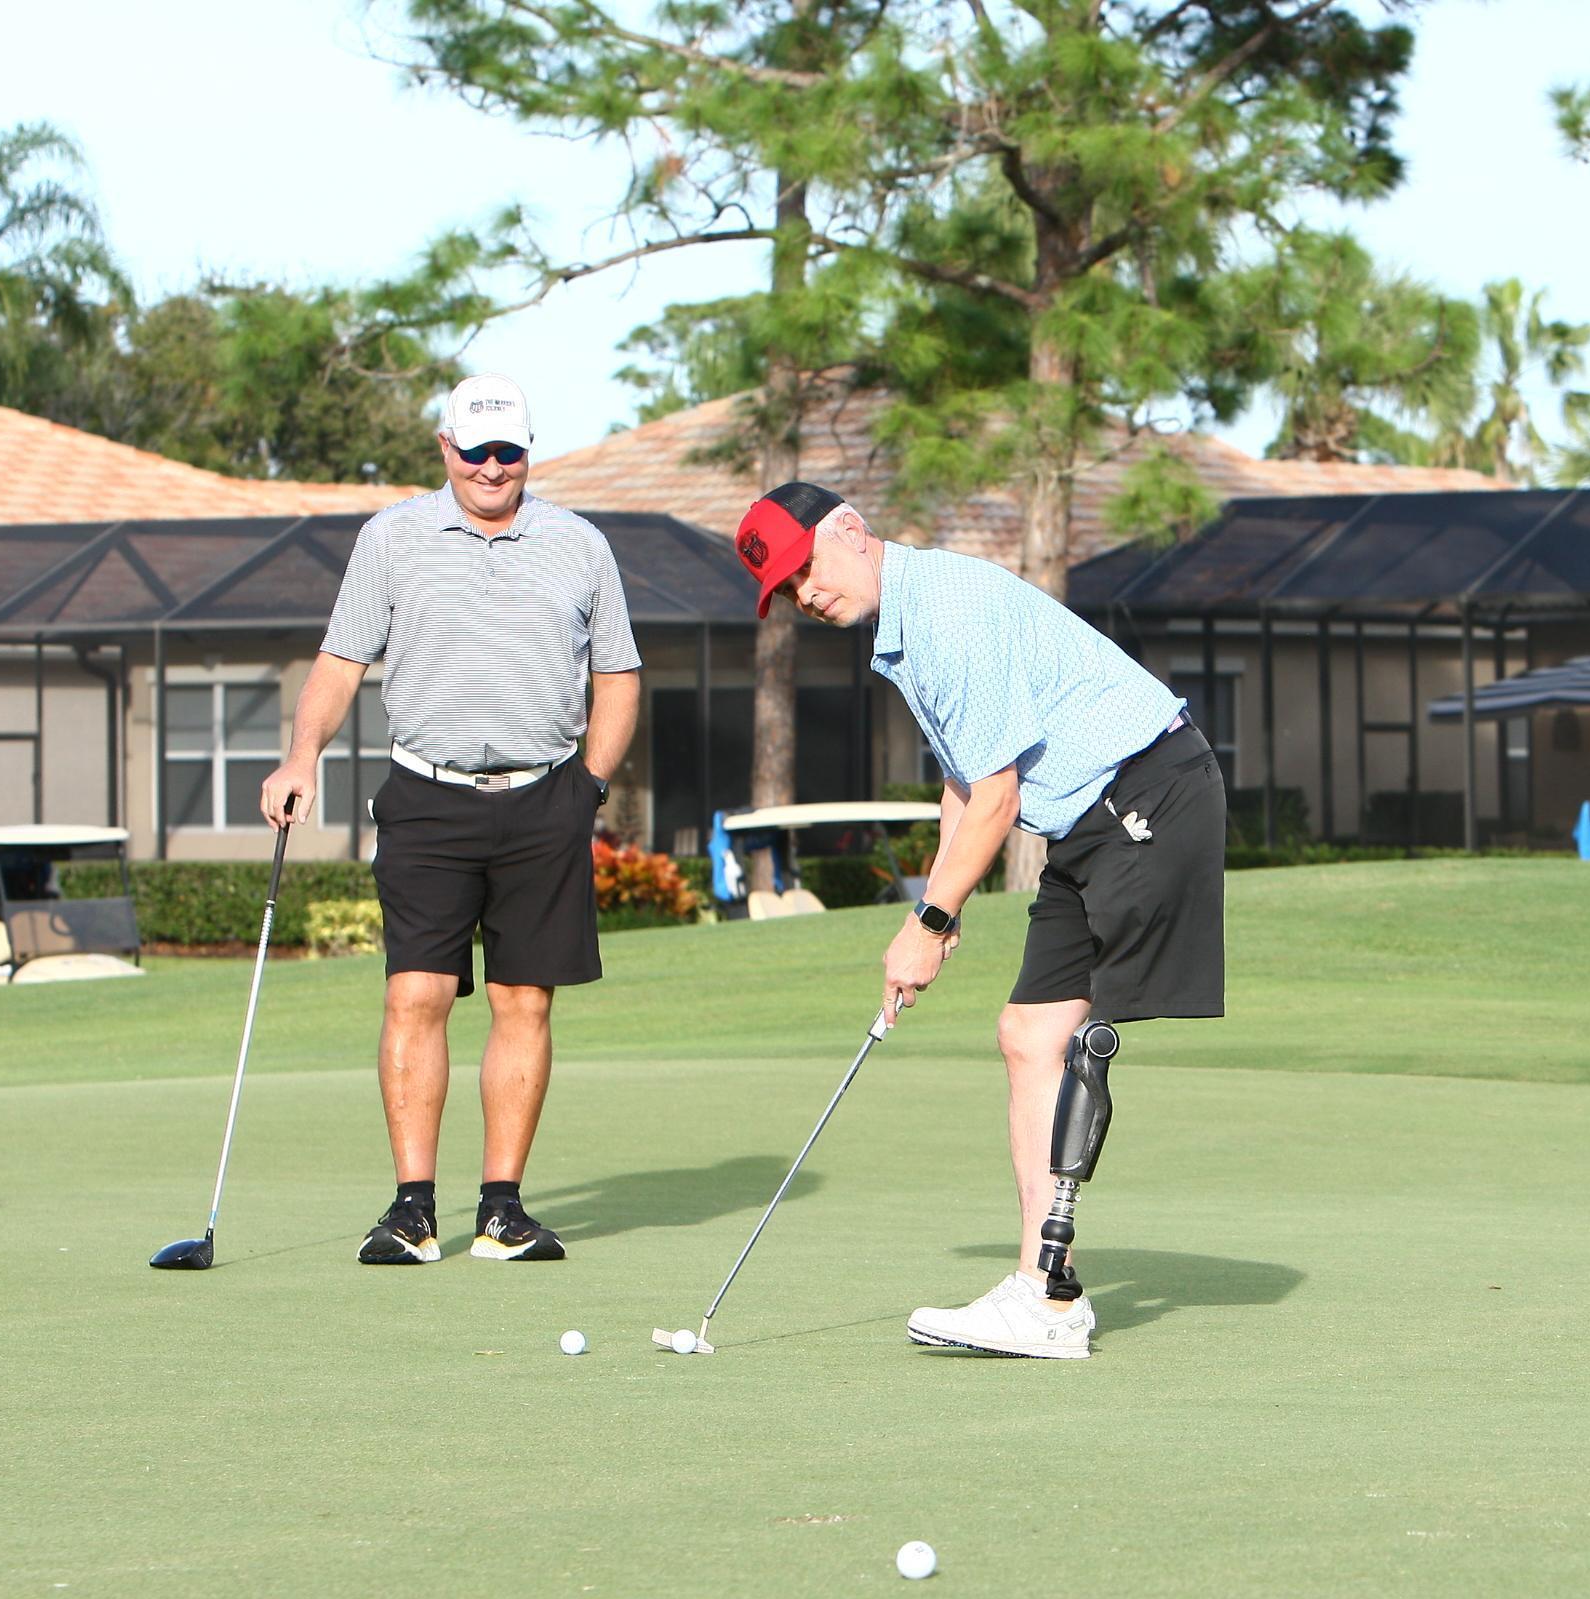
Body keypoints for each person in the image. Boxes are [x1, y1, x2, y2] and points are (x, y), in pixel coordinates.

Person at [732, 482, 1223, 1358]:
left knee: (1070, 1039)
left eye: (807, 568)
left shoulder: (946, 613)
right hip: (1092, 814)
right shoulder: (907, 622)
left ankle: (1047, 1289)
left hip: (1144, 796)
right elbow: (965, 779)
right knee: (1026, 1035)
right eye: (788, 588)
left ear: (852, 530)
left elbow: (998, 797)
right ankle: (1048, 1297)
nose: (806, 594)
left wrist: (926, 922)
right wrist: (939, 900)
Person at [260, 373, 642, 1266]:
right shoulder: (391, 538)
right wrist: (300, 756)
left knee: (524, 1001)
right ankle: (413, 1210)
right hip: (427, 797)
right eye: (476, 451)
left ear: (528, 451)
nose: (492, 468)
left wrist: (587, 788)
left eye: (508, 451)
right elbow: (340, 661)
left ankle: (503, 1210)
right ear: (446, 448)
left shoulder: (580, 545)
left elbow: (618, 677)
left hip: (546, 797)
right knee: (416, 994)